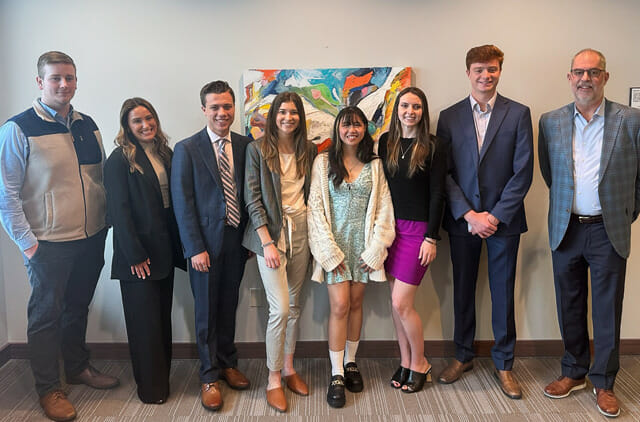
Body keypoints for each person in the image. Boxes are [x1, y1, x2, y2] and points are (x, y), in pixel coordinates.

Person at [0, 51, 119, 422]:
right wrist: (28, 244)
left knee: (76, 308)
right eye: (55, 79)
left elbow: (96, 180)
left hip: (90, 238)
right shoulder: (18, 129)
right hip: (47, 245)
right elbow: (5, 194)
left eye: (69, 77)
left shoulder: (88, 125)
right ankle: (49, 388)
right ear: (40, 83)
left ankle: (78, 368)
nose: (63, 85)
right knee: (45, 318)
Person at [538, 48, 640, 418]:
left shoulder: (631, 120)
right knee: (569, 304)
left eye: (593, 73)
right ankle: (574, 371)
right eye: (579, 72)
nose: (585, 79)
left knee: (607, 309)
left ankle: (604, 381)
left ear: (605, 78)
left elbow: (639, 180)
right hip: (566, 228)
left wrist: (625, 213)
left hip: (607, 229)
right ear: (569, 77)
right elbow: (550, 175)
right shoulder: (550, 122)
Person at [435, 44, 533, 399]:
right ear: (468, 73)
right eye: (479, 69)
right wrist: (469, 214)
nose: (485, 75)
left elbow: (523, 173)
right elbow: (443, 173)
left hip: (503, 224)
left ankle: (505, 365)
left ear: (500, 71)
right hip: (463, 223)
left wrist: (492, 216)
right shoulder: (448, 116)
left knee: (502, 295)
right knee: (462, 291)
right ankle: (463, 356)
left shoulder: (519, 113)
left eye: (492, 69)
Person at [171, 81, 251, 411]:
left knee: (228, 305)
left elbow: (250, 195)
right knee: (205, 311)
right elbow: (182, 202)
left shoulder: (247, 146)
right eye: (215, 107)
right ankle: (208, 375)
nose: (222, 113)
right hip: (203, 246)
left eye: (227, 106)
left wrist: (250, 240)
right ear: (204, 109)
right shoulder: (187, 148)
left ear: (235, 108)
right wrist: (194, 248)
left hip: (236, 242)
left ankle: (227, 362)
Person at [308, 106, 395, 408]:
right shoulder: (322, 163)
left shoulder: (375, 164)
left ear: (364, 130)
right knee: (340, 306)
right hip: (335, 249)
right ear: (337, 130)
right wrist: (329, 253)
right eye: (346, 126)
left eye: (357, 125)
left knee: (356, 304)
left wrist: (376, 250)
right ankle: (335, 373)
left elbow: (385, 210)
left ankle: (351, 362)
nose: (351, 130)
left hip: (363, 249)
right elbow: (315, 211)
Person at [104, 98, 185, 404]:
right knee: (144, 325)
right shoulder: (118, 160)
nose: (145, 125)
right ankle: (151, 391)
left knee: (161, 321)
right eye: (137, 121)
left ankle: (160, 382)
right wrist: (135, 255)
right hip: (137, 256)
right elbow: (119, 213)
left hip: (163, 252)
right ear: (127, 126)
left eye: (149, 118)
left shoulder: (165, 152)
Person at [243, 92, 316, 412]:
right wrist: (267, 242)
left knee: (296, 306)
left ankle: (289, 369)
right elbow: (252, 198)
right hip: (270, 235)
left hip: (302, 230)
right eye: (282, 112)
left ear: (301, 117)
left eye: (294, 113)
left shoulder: (309, 150)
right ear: (273, 116)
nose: (288, 117)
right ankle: (273, 378)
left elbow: (313, 193)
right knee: (281, 309)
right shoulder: (257, 149)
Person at [378, 87, 447, 393]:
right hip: (389, 229)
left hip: (418, 231)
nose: (410, 111)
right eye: (405, 105)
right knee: (395, 305)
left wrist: (431, 237)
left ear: (423, 111)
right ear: (397, 109)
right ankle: (405, 360)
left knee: (401, 302)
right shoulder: (386, 142)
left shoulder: (433, 146)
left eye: (416, 106)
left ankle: (420, 362)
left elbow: (437, 195)